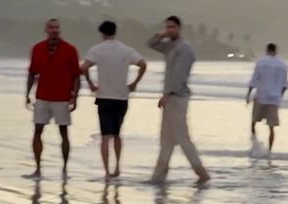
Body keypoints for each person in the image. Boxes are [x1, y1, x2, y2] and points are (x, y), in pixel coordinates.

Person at [146, 16, 210, 184]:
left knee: (182, 138)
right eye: (168, 27)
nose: (170, 30)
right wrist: (161, 34)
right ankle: (158, 176)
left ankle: (202, 173)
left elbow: (179, 75)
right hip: (171, 98)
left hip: (178, 97)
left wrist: (167, 94)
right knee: (166, 139)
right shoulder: (170, 47)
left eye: (173, 27)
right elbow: (151, 44)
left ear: (179, 28)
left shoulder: (185, 48)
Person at [81, 20, 147, 177]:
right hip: (121, 97)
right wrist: (134, 83)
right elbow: (143, 64)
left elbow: (83, 67)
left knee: (105, 136)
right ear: (115, 32)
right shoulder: (126, 50)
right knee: (117, 134)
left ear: (102, 33)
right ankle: (117, 167)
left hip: (104, 96)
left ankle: (106, 171)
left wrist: (91, 84)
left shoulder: (97, 50)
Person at [26, 18, 80, 176]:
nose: (54, 30)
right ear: (46, 29)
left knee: (63, 132)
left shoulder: (69, 49)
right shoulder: (37, 48)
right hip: (42, 96)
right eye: (51, 27)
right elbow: (32, 73)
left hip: (62, 98)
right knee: (37, 130)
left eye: (56, 27)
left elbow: (76, 76)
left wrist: (74, 97)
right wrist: (27, 94)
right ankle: (37, 168)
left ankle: (64, 169)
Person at [245, 43, 288, 152]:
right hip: (274, 99)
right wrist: (280, 96)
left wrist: (248, 95)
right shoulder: (283, 65)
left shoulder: (261, 62)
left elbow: (254, 80)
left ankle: (255, 146)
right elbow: (285, 85)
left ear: (267, 50)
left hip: (261, 96)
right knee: (271, 127)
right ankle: (269, 151)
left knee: (253, 122)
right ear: (276, 51)